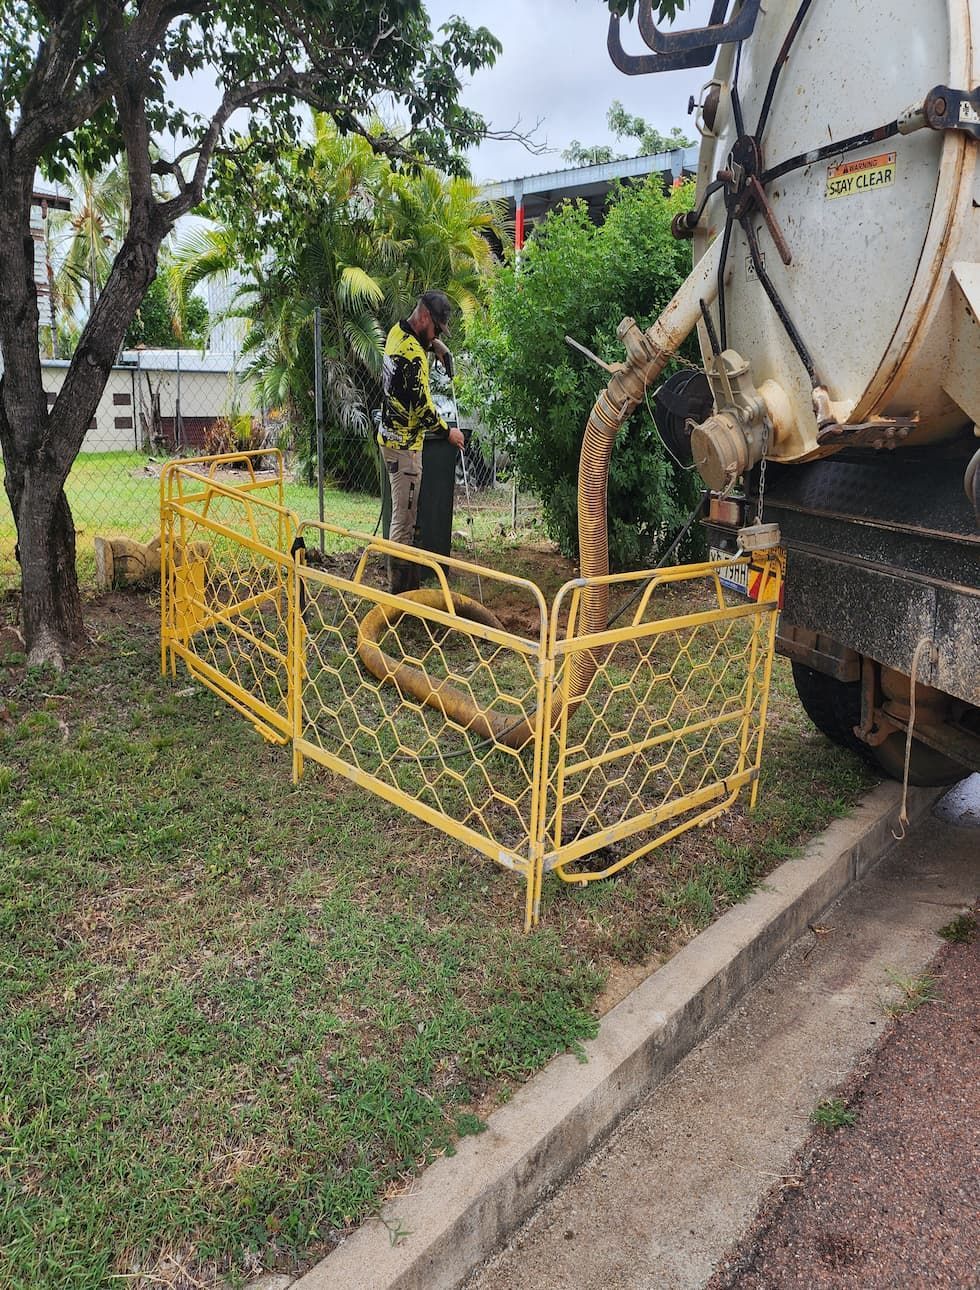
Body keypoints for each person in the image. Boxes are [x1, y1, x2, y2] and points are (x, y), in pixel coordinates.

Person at [377, 290, 465, 593]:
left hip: (389, 438)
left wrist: (435, 346)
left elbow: (414, 347)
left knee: (408, 518)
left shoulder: (396, 333)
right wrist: (449, 433)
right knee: (403, 523)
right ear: (425, 317)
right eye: (437, 328)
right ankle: (399, 598)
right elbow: (424, 409)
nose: (437, 334)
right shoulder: (413, 355)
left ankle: (411, 590)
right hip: (405, 449)